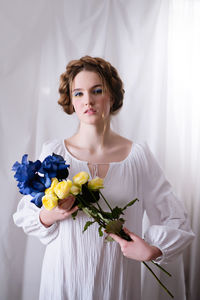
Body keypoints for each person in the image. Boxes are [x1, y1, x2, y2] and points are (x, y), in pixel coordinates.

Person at [13, 56, 195, 300]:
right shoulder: (54, 152)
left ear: (112, 95)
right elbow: (25, 214)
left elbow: (175, 217)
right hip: (63, 281)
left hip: (117, 283)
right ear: (71, 101)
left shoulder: (139, 157)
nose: (88, 100)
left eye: (96, 91)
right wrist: (50, 214)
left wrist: (153, 249)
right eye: (78, 93)